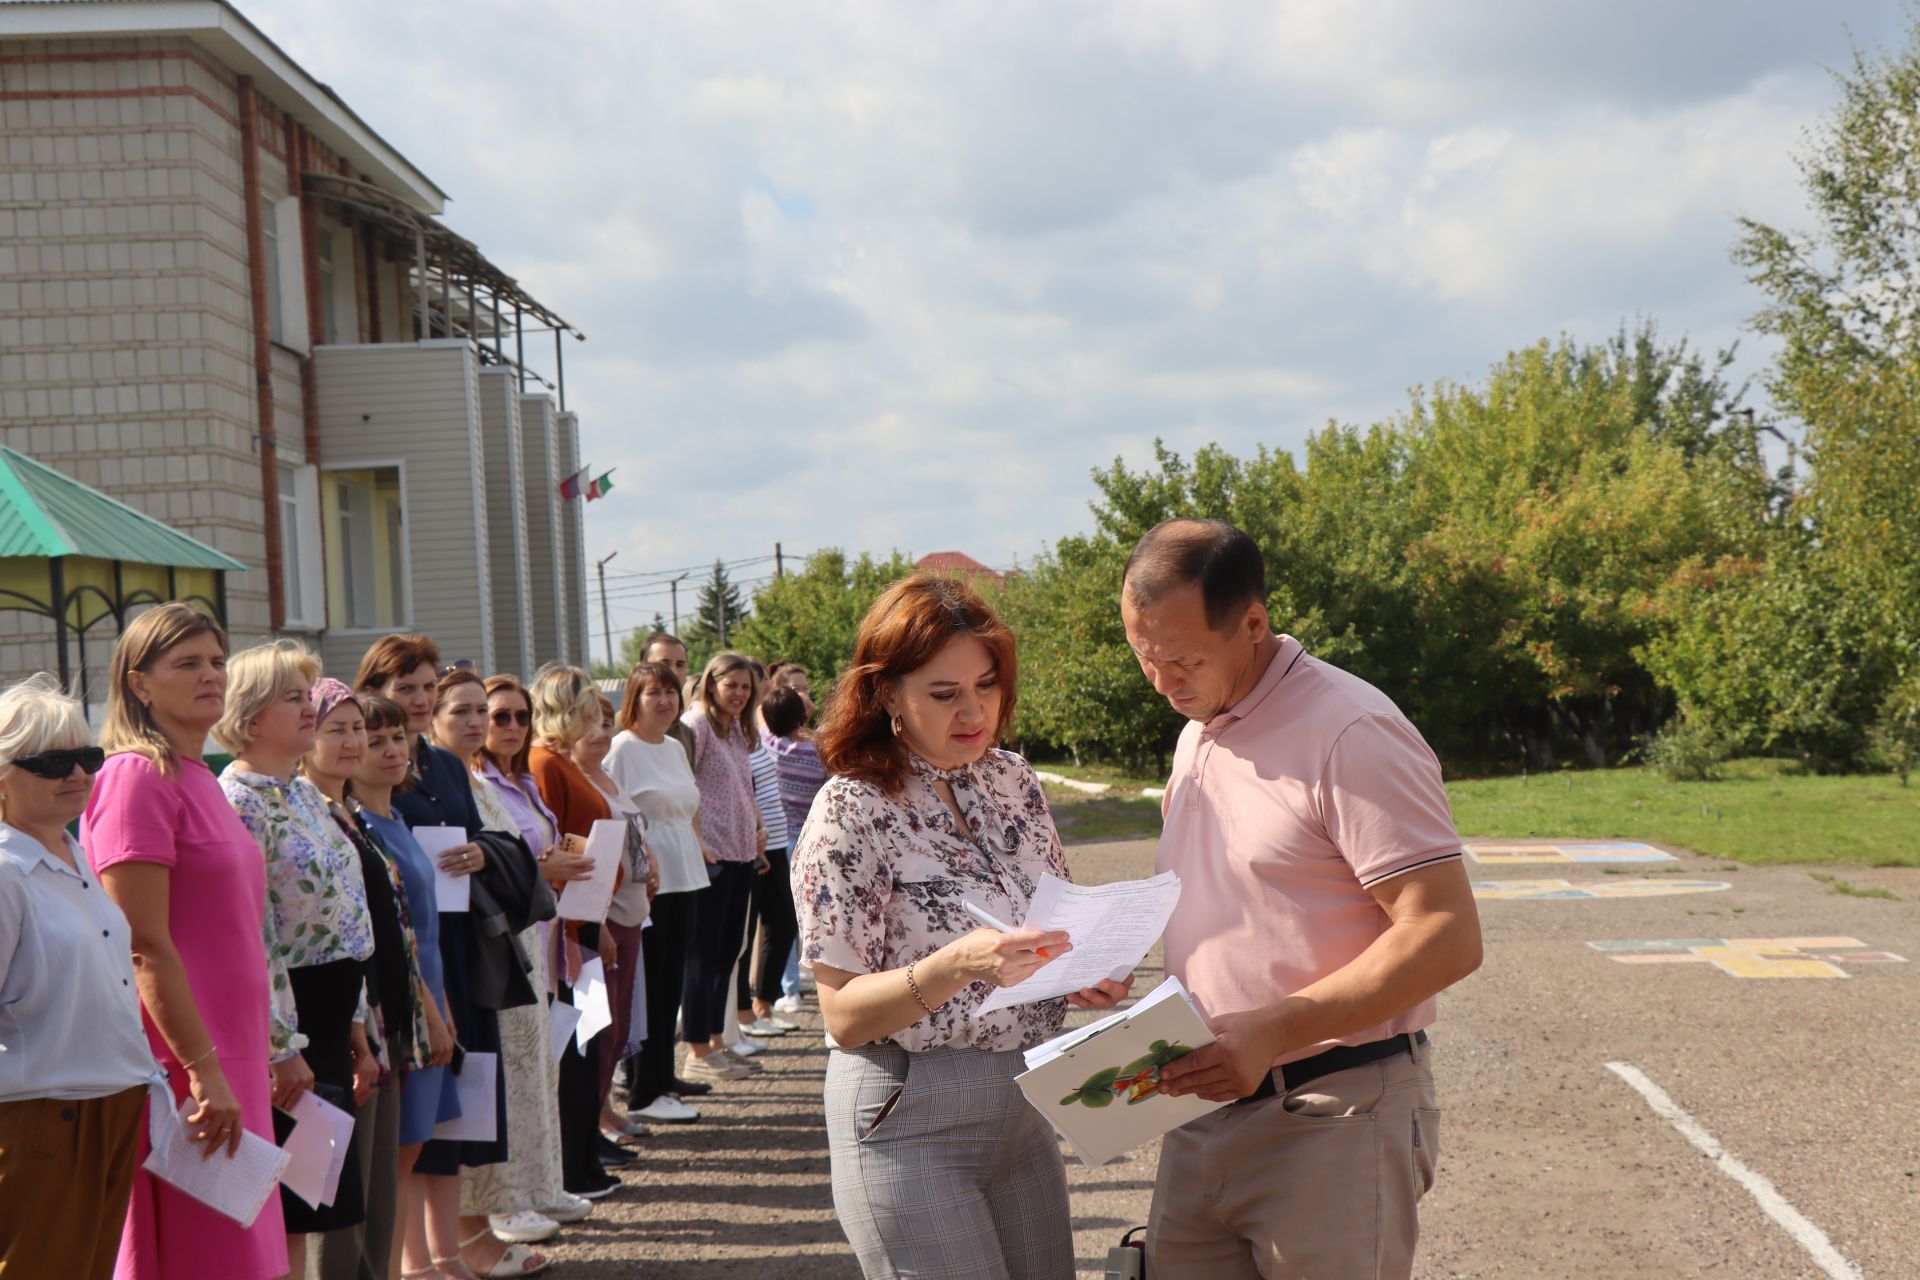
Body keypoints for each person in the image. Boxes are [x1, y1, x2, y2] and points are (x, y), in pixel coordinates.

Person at [1119, 519, 1484, 1279]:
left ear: (1253, 624)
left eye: (1183, 658)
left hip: (1332, 1116)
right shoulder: (1200, 729)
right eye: (1144, 657)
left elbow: (1446, 932)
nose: (1162, 681)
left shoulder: (1350, 730)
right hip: (1200, 1110)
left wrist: (1274, 1028)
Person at [792, 575, 1131, 1280]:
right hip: (908, 1119)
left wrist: (1084, 969)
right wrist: (957, 965)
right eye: (944, 694)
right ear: (886, 693)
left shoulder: (1014, 781)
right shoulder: (850, 810)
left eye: (987, 684)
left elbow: (1051, 920)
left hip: (1024, 1113)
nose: (975, 710)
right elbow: (844, 1015)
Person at [83, 603, 290, 1280]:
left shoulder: (199, 775)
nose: (212, 675)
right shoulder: (135, 777)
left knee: (239, 1247)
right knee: (200, 1252)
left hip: (231, 1047)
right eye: (188, 663)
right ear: (140, 684)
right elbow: (139, 942)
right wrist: (202, 1070)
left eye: (217, 660)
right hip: (184, 1059)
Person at [215, 641, 377, 1277]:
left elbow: (347, 916)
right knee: (289, 1201)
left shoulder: (306, 794)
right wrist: (282, 1044)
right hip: (290, 1019)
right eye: (294, 698)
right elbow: (255, 933)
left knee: (321, 1194)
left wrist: (359, 1028)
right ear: (252, 716)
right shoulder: (240, 801)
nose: (310, 706)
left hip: (334, 1016)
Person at [355, 638, 515, 1278]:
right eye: (407, 690)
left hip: (458, 949)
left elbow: (478, 837)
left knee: (450, 1120)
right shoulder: (363, 780)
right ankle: (420, 1262)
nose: (420, 702)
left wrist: (481, 854)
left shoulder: (446, 764)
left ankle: (443, 1254)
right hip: (409, 961)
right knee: (409, 1131)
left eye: (428, 687)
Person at [0, 676, 155, 1280]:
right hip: (44, 1113)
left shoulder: (72, 850)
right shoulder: (7, 872)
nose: (76, 774)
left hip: (110, 1102)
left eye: (87, 757)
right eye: (50, 761)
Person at [431, 670, 566, 1277]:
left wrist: (501, 856)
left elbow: (504, 852)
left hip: (513, 951)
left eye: (480, 710)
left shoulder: (469, 778)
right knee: (480, 1096)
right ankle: (463, 1239)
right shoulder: (440, 779)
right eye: (461, 710)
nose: (478, 721)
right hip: (473, 959)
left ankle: (479, 1230)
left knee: (504, 1094)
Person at [301, 678, 435, 1280]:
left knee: (375, 1191)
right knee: (337, 1198)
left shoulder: (346, 815)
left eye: (361, 727)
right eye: (340, 728)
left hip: (377, 1020)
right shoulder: (303, 812)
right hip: (331, 1025)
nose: (355, 741)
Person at [467, 673, 599, 1247]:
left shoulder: (520, 781)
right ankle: (507, 1202)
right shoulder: (474, 780)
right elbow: (489, 864)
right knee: (512, 1071)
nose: (512, 727)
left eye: (520, 717)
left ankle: (542, 1182)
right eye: (500, 717)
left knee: (540, 1065)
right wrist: (542, 870)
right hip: (504, 941)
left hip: (540, 936)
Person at [348, 694, 460, 1279]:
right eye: (376, 739)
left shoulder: (397, 817)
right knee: (392, 1164)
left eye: (397, 738)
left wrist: (442, 1006)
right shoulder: (360, 827)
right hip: (403, 1009)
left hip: (430, 998)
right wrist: (430, 1013)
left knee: (412, 1154)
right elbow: (393, 936)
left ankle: (411, 1267)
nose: (392, 750)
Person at [526, 665, 624, 1200]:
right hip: (568, 928)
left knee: (589, 1038)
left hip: (583, 920)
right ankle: (575, 1165)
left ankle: (585, 1157)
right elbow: (556, 850)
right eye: (588, 708)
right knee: (579, 1044)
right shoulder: (548, 764)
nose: (595, 719)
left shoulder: (560, 763)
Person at [606, 661, 710, 1124]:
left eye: (671, 692)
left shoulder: (673, 746)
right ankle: (643, 1088)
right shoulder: (622, 749)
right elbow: (613, 813)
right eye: (654, 693)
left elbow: (686, 807)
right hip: (649, 879)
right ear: (635, 699)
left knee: (671, 986)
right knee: (649, 988)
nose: (666, 701)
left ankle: (662, 1079)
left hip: (685, 871)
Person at [566, 695, 656, 1145]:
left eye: (605, 723)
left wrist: (650, 861)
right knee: (599, 1024)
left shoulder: (607, 776)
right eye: (590, 724)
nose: (600, 733)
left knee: (620, 1020)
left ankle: (605, 1107)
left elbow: (631, 831)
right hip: (604, 914)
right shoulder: (576, 780)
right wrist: (597, 920)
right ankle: (593, 1121)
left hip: (632, 909)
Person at [678, 652, 769, 1084]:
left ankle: (716, 1040)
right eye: (731, 684)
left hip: (738, 851)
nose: (739, 693)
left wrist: (758, 829)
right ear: (710, 683)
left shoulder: (735, 728)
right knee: (703, 955)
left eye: (746, 687)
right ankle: (697, 1047)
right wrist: (695, 839)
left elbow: (742, 787)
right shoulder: (697, 724)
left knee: (726, 952)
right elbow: (684, 786)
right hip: (708, 854)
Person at [735, 669, 800, 1041]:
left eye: (751, 684)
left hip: (773, 841)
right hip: (752, 846)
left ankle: (763, 1004)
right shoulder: (743, 736)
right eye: (740, 684)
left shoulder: (755, 736)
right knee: (746, 935)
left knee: (783, 923)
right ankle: (744, 1013)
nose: (749, 691)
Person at [638, 633, 696, 766]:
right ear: (641, 668)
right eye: (665, 663)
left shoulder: (686, 735)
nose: (674, 672)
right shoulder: (619, 728)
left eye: (680, 665)